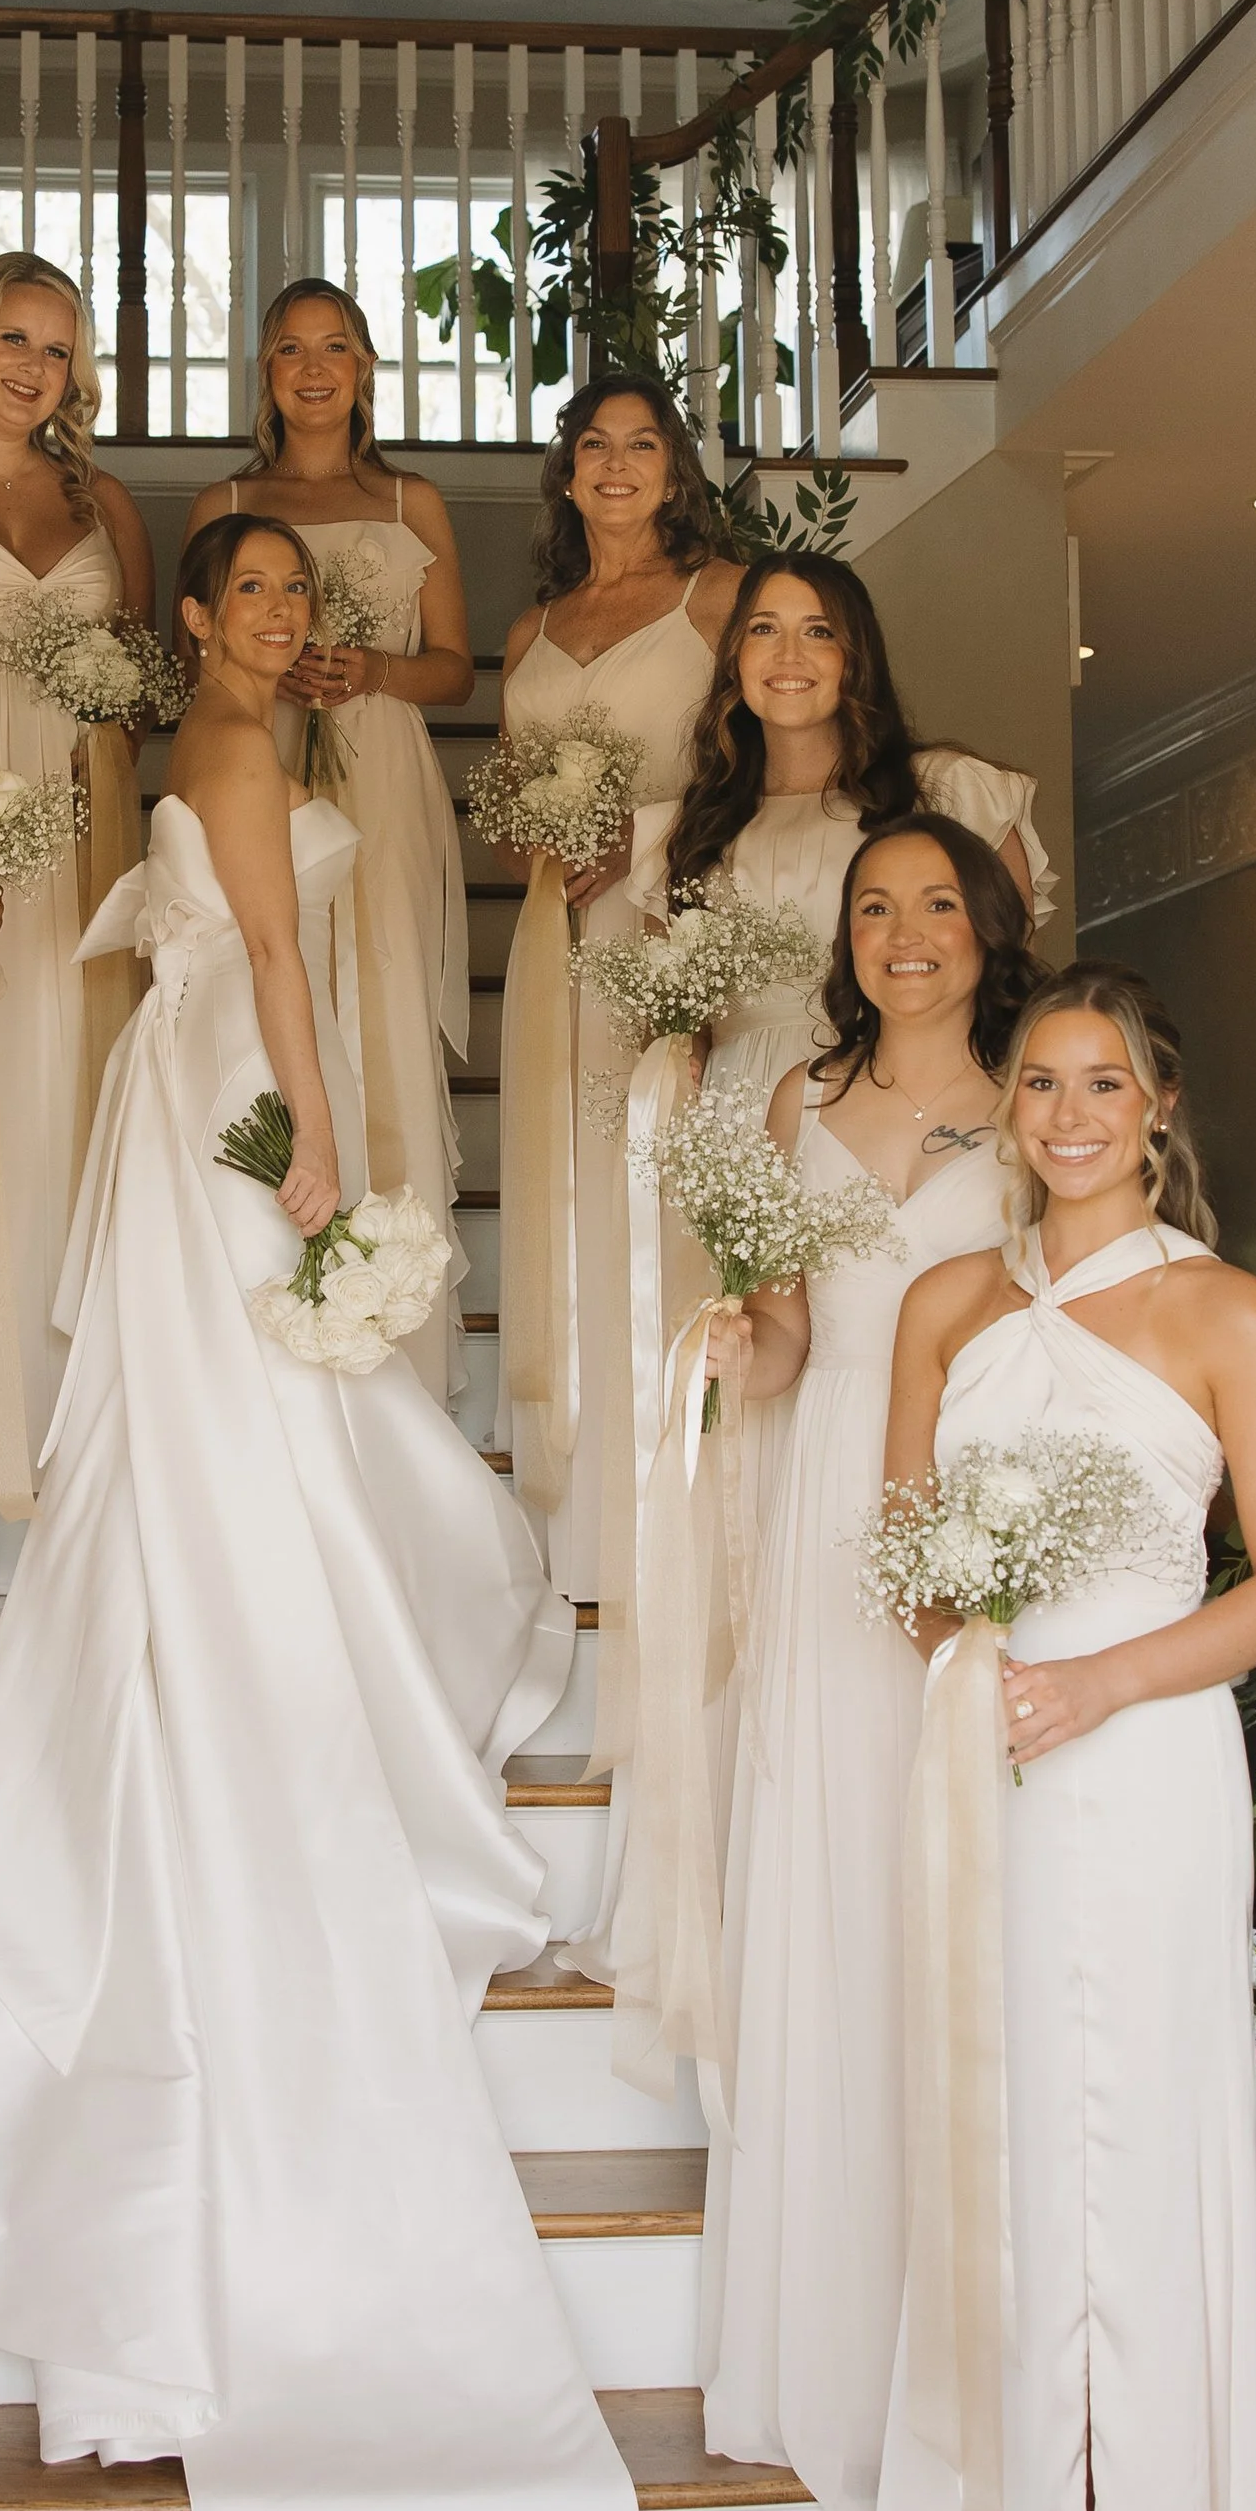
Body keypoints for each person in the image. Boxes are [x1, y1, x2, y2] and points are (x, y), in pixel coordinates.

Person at [0, 511, 740, 2511]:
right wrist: (335, 1149)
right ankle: (259, 1668)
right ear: (194, 620)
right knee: (264, 1431)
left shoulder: (233, 726)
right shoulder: (233, 750)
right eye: (238, 598)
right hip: (247, 1112)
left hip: (203, 1108)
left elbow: (219, 947)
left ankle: (256, 1642)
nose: (263, 623)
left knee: (258, 1437)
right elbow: (259, 954)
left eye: (279, 602)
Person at [861, 962, 1256, 2511]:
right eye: (1042, 1083)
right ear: (1011, 1109)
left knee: (1134, 2180)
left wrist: (1093, 1682)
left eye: (1104, 1084)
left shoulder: (1225, 1311)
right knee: (1004, 2169)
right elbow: (904, 1567)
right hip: (980, 1766)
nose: (1069, 1115)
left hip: (1140, 1765)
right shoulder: (941, 1305)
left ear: (1159, 1111)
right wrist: (976, 1640)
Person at [690, 819, 1037, 2511]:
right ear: (846, 937)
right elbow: (782, 1345)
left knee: (963, 1896)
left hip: (986, 1520)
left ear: (992, 928)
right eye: (878, 909)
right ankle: (831, 2337)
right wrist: (733, 1337)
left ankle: (977, 2339)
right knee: (837, 1891)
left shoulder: (1042, 1108)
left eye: (940, 907)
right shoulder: (794, 1109)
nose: (908, 935)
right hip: (832, 1502)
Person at [488, 372, 741, 1761]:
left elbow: (754, 757)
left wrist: (636, 841)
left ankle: (680, 1500)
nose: (619, 464)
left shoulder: (717, 597)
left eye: (645, 443)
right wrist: (541, 838)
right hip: (553, 939)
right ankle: (577, 1512)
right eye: (595, 444)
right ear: (568, 473)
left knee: (668, 1206)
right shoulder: (530, 627)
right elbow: (515, 796)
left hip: (669, 925)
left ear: (676, 469)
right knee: (570, 1192)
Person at [186, 278, 474, 1402]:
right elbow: (198, 651)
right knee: (282, 969)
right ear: (263, 371)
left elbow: (453, 668)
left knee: (380, 998)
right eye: (287, 347)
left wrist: (369, 672)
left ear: (363, 368)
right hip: (268, 754)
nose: (312, 367)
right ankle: (274, 1271)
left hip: (383, 773)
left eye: (336, 347)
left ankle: (392, 1316)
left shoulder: (413, 500)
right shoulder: (222, 500)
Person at [0, 252, 157, 1479]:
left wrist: (102, 712)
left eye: (56, 349)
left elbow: (153, 677)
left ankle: (67, 1412)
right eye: (13, 338)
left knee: (73, 1066)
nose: (33, 367)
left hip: (81, 806)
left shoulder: (101, 501)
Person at [654, 554, 1048, 1126]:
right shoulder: (691, 826)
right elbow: (671, 1018)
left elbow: (1014, 979)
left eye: (819, 631)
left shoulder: (949, 791)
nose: (788, 655)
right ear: (735, 656)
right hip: (734, 1113)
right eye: (763, 629)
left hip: (906, 1097)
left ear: (855, 657)